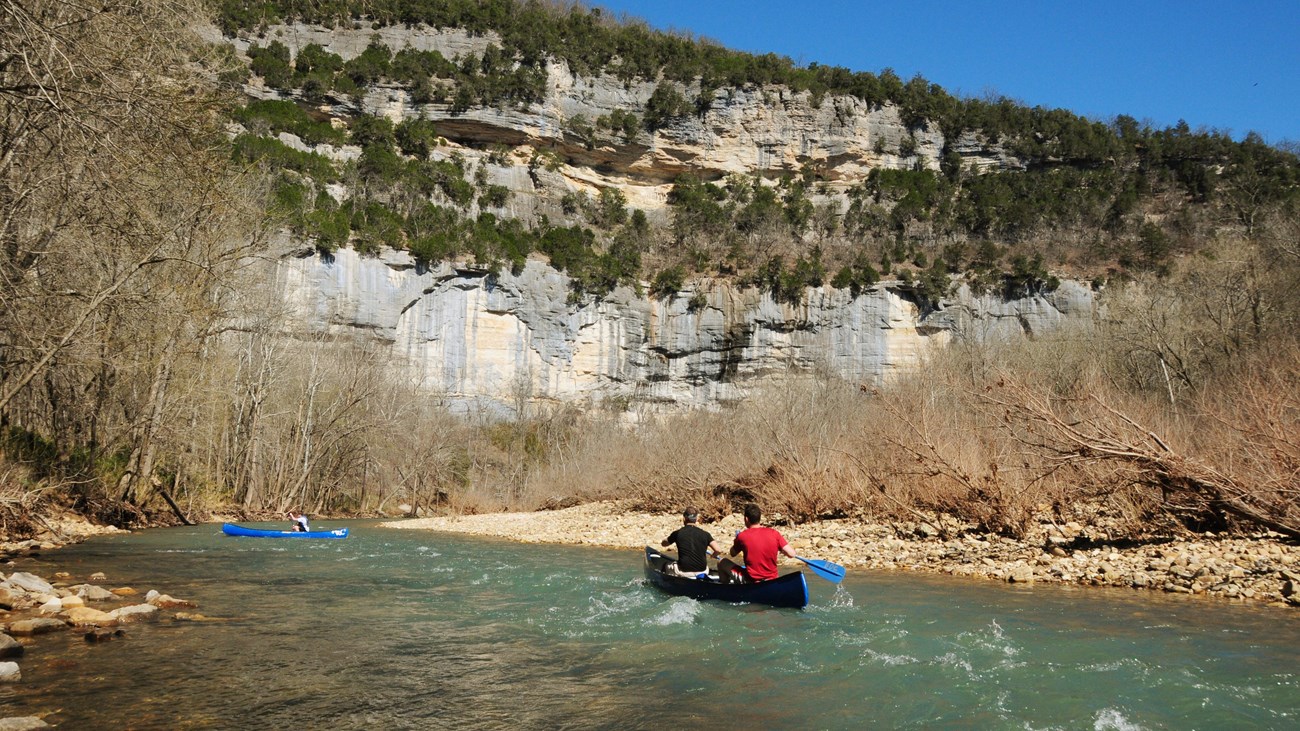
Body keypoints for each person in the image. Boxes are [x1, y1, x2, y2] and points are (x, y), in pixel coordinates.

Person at [717, 503, 797, 583]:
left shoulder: (742, 536)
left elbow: (732, 553)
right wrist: (780, 549)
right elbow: (792, 554)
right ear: (759, 518)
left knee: (722, 562)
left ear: (746, 519)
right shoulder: (774, 533)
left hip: (751, 581)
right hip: (772, 580)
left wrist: (737, 540)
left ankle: (726, 589)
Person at [661, 507, 725, 579]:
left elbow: (664, 544)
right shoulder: (705, 534)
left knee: (666, 565)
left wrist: (665, 540)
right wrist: (713, 555)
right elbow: (718, 550)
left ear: (684, 518)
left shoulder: (677, 533)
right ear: (696, 519)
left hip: (684, 572)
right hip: (702, 571)